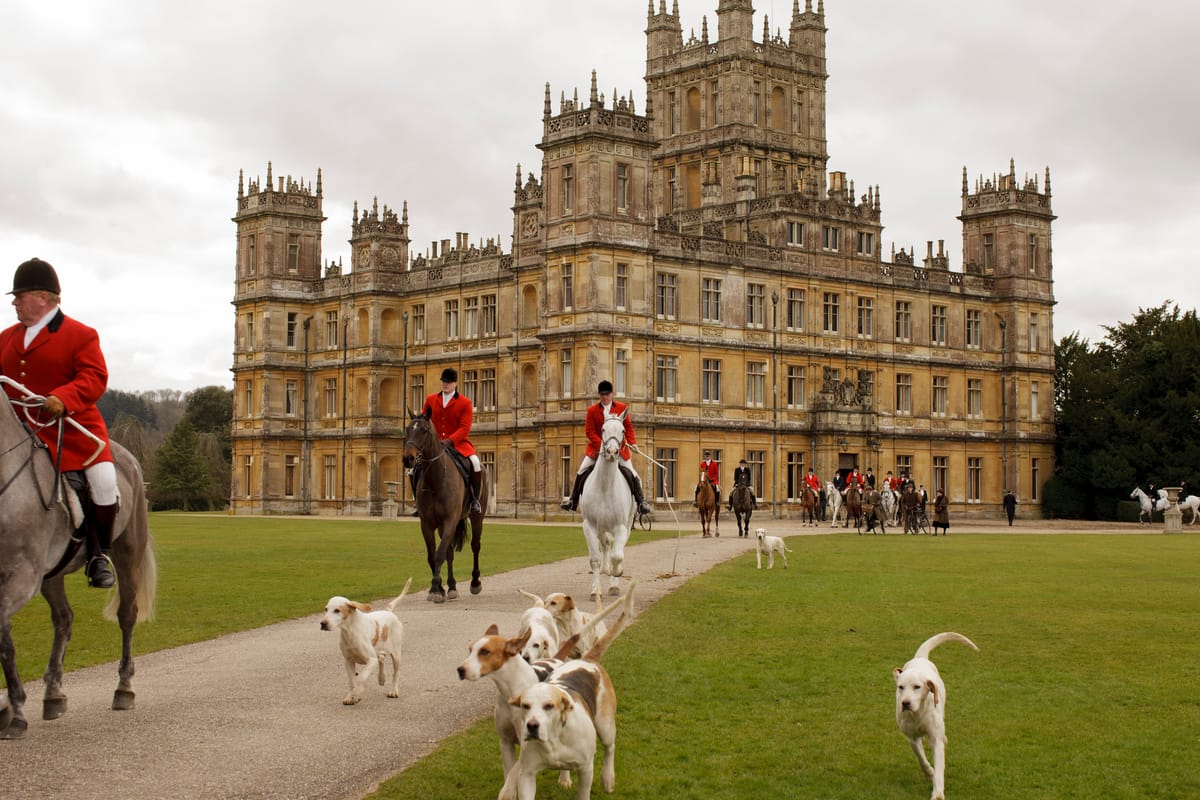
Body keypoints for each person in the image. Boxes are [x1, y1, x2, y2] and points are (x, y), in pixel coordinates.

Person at [0, 258, 117, 588]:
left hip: (72, 430)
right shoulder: (6, 338)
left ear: (42, 297)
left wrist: (63, 398)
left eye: (19, 296)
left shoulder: (80, 335)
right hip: (19, 431)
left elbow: (94, 377)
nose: (14, 303)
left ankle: (98, 555)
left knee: (105, 480)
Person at [561, 380, 652, 515]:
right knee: (581, 470)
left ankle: (641, 502)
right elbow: (589, 432)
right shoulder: (592, 411)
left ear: (612, 394)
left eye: (607, 394)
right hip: (597, 449)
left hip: (619, 450)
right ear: (599, 395)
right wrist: (603, 447)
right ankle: (572, 501)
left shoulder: (622, 408)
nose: (605, 397)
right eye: (602, 394)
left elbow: (628, 428)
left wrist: (633, 443)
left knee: (633, 473)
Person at [420, 367, 483, 514]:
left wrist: (449, 441)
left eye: (448, 382)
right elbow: (424, 421)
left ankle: (475, 501)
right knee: (414, 468)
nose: (445, 384)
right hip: (435, 444)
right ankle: (419, 502)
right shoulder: (430, 400)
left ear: (455, 383)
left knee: (475, 463)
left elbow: (465, 428)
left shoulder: (465, 402)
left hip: (458, 444)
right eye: (443, 381)